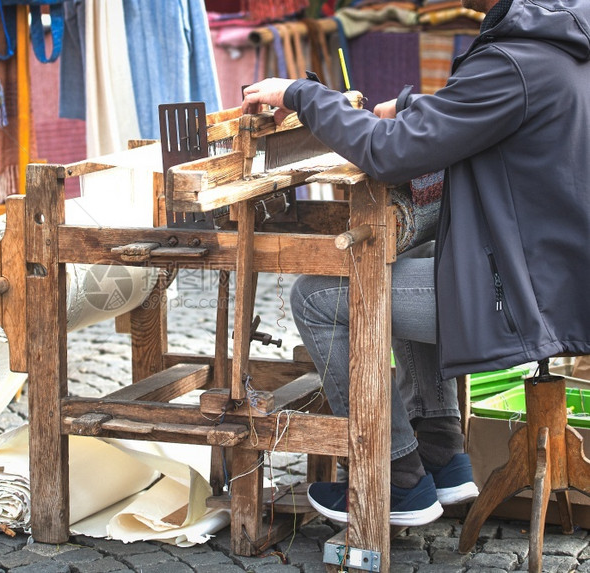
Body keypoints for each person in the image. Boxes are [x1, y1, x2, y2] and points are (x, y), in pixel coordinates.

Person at [241, 0, 590, 526]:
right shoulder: (562, 49)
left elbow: (389, 153)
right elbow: (484, 113)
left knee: (315, 296)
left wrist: (302, 94)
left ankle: (395, 477)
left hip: (530, 296)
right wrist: (408, 106)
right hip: (558, 277)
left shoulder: (516, 62)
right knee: (416, 253)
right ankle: (442, 449)